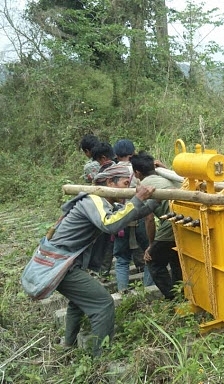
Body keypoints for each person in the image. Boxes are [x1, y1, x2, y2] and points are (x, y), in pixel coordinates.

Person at [53, 164, 159, 356]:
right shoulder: (93, 200)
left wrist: (156, 198)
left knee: (78, 301)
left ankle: (67, 345)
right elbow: (110, 224)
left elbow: (134, 213)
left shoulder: (107, 203)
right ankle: (101, 357)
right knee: (103, 303)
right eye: (126, 184)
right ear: (110, 182)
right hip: (59, 264)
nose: (128, 189)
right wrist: (137, 198)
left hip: (66, 263)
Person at [131, 151, 183, 301]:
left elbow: (149, 219)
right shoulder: (166, 176)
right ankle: (183, 295)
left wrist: (151, 244)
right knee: (175, 257)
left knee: (152, 260)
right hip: (186, 218)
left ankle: (173, 297)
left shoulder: (145, 187)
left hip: (172, 221)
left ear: (137, 172)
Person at [111, 139, 153, 292]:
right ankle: (147, 289)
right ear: (133, 152)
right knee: (149, 254)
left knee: (122, 259)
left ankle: (123, 291)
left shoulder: (112, 171)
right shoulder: (139, 169)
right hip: (140, 216)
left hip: (120, 218)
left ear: (116, 154)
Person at [87, 141, 117, 277]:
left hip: (107, 212)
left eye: (98, 160)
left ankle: (102, 271)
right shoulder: (120, 168)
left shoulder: (104, 174)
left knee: (106, 244)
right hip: (120, 212)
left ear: (103, 158)